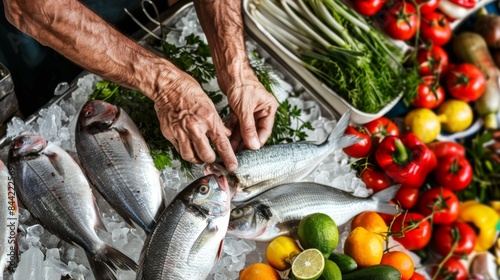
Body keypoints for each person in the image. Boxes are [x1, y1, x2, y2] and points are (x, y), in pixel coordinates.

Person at [2, 0, 278, 172]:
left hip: (137, 12)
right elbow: (31, 7)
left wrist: (235, 66)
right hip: (29, 45)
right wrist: (165, 84)